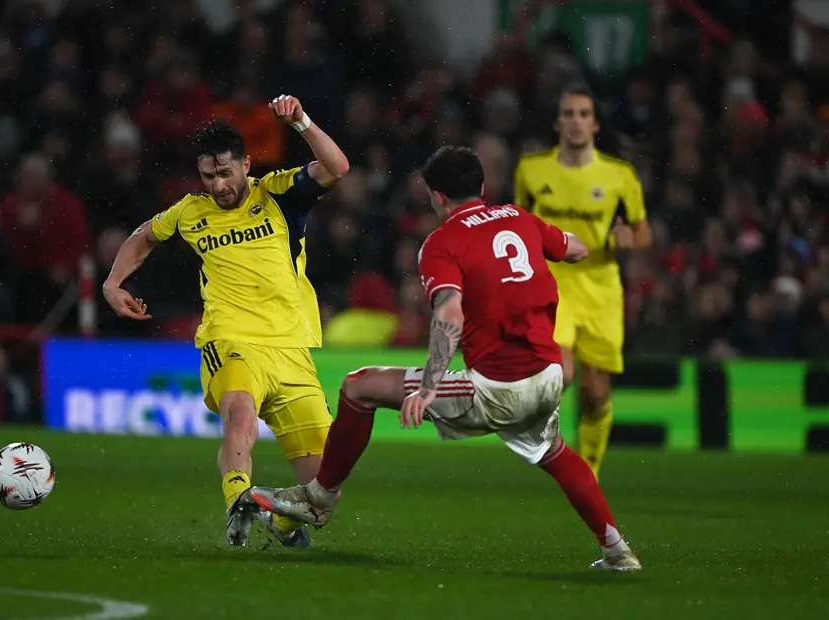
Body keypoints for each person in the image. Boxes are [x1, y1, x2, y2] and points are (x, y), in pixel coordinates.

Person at [247, 146, 642, 571]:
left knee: (359, 386)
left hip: (496, 387)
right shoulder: (520, 218)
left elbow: (450, 312)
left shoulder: (443, 243)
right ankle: (618, 552)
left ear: (436, 197)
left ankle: (318, 498)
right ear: (482, 186)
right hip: (548, 376)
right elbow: (577, 249)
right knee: (554, 452)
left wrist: (429, 387)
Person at [102, 95, 349, 547]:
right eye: (208, 176)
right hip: (231, 339)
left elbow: (337, 167)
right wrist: (113, 283)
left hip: (291, 348)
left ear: (246, 164)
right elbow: (144, 236)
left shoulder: (278, 193)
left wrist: (302, 122)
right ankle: (238, 499)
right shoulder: (190, 211)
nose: (218, 185)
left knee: (326, 489)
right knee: (240, 414)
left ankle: (280, 518)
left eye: (225, 173)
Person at [513, 85, 651, 480]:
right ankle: (549, 451)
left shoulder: (619, 176)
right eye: (568, 114)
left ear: (596, 125)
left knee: (595, 394)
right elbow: (519, 222)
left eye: (583, 114)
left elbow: (642, 231)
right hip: (553, 279)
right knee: (562, 373)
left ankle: (588, 470)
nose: (576, 121)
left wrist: (628, 239)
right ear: (557, 123)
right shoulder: (532, 170)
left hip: (601, 284)